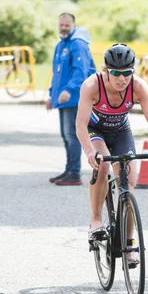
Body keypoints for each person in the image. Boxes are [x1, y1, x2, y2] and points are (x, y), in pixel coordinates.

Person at [75, 43, 148, 248]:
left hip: (120, 131)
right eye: (116, 73)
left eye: (127, 73)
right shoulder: (92, 85)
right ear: (106, 70)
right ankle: (96, 220)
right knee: (103, 165)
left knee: (128, 186)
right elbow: (80, 125)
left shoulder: (139, 87)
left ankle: (129, 241)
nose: (122, 79)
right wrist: (90, 151)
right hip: (95, 130)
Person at [47, 13, 96, 186]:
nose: (63, 28)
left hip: (75, 97)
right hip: (62, 99)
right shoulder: (61, 45)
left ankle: (75, 173)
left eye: (67, 25)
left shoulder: (78, 44)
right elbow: (57, 73)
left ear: (73, 25)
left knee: (72, 135)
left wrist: (69, 89)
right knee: (65, 135)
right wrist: (51, 95)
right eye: (61, 25)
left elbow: (80, 72)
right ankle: (69, 169)